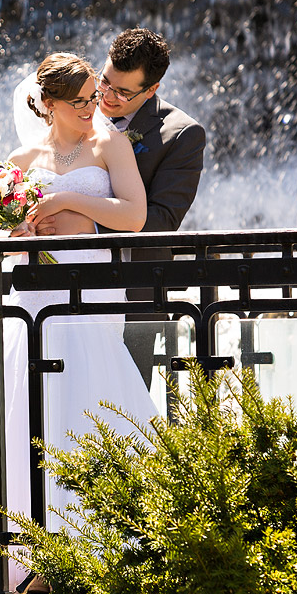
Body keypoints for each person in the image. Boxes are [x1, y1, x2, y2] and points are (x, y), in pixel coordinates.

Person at [0, 53, 161, 594]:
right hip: (34, 292)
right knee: (26, 406)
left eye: (93, 97)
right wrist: (11, 233)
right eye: (80, 101)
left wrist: (63, 198)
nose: (93, 107)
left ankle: (96, 546)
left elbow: (133, 216)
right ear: (49, 105)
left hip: (87, 289)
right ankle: (26, 553)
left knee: (87, 397)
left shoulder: (111, 145)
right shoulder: (22, 155)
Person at [34, 29, 207, 386]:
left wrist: (79, 220)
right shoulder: (75, 105)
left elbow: (162, 221)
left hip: (134, 293)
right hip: (51, 287)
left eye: (122, 92)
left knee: (120, 411)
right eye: (105, 82)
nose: (106, 97)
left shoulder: (181, 134)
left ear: (152, 90)